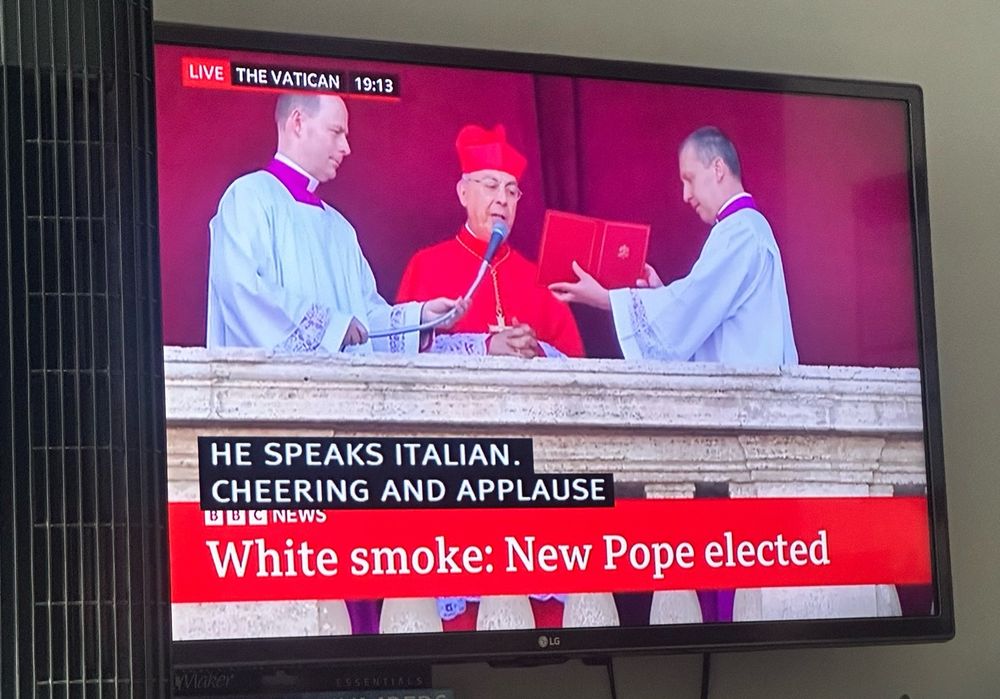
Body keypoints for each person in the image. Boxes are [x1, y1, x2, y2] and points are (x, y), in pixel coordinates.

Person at [206, 93, 464, 355]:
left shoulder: (340, 228)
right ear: (298, 123)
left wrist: (420, 318)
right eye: (336, 131)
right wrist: (331, 327)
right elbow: (242, 292)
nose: (346, 147)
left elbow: (365, 319)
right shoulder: (249, 196)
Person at [549, 125, 798, 366]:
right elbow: (703, 309)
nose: (685, 195)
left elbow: (693, 304)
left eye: (689, 179)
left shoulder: (740, 232)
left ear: (718, 168)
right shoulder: (747, 227)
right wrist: (660, 294)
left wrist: (607, 299)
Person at [396, 124, 585, 359]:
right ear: (463, 193)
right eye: (491, 186)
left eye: (511, 191)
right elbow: (402, 352)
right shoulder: (425, 266)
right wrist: (484, 346)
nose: (502, 200)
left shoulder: (539, 281)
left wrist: (535, 350)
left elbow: (576, 365)